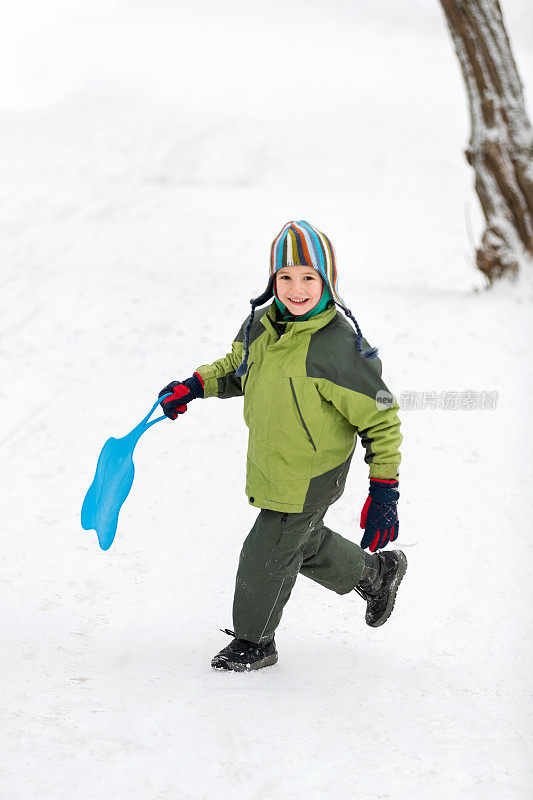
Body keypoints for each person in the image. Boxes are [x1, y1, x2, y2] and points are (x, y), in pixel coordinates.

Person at [159, 221, 406, 672]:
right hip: (274, 462)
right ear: (272, 279)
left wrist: (384, 488)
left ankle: (255, 643)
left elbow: (381, 417)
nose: (296, 289)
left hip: (314, 470)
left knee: (265, 552)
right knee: (299, 541)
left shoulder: (339, 348)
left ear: (327, 281)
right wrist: (195, 385)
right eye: (286, 277)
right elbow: (239, 368)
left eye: (309, 277)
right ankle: (375, 575)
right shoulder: (260, 325)